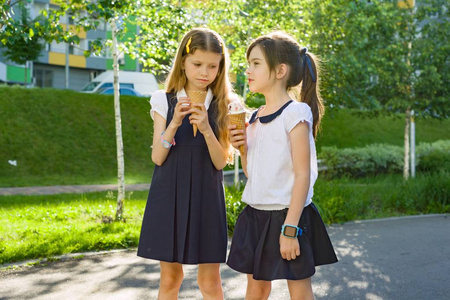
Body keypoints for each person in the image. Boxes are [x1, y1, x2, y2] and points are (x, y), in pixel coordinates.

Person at [227, 31, 338, 300]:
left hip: (289, 216)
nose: (248, 70)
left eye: (255, 63)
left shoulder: (295, 113)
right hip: (256, 215)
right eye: (248, 64)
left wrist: (290, 230)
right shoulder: (252, 118)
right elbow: (256, 176)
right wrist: (242, 150)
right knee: (255, 290)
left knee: (299, 291)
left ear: (280, 71)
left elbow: (304, 175)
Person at [137, 27, 235, 300]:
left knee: (210, 281)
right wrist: (174, 123)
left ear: (220, 67)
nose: (205, 72)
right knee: (170, 279)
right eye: (197, 64)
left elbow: (220, 162)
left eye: (212, 66)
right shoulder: (163, 100)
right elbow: (158, 157)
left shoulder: (224, 104)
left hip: (207, 195)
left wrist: (206, 129)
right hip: (168, 195)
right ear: (183, 62)